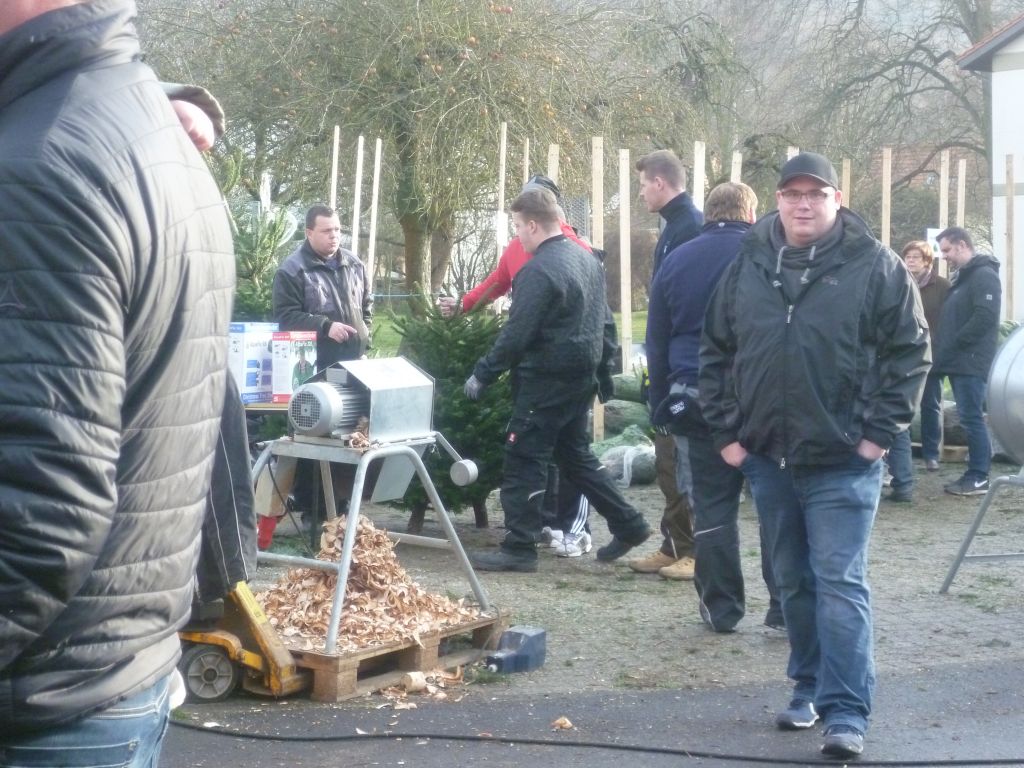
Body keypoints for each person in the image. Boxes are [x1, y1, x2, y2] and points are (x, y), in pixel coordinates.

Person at [0, 1, 235, 763]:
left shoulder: (38, 166)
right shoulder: (147, 131)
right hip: (112, 668)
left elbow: (41, 506)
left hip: (45, 701)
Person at [700, 152, 930, 759]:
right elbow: (716, 349)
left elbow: (910, 353)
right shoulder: (748, 263)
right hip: (769, 458)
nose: (803, 204)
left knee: (839, 582)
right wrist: (728, 434)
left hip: (843, 461)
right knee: (793, 582)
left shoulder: (875, 266)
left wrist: (878, 435)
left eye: (816, 194)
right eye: (792, 193)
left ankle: (847, 712)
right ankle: (807, 686)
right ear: (777, 199)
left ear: (836, 199)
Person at [464, 187, 652, 572]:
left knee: (523, 456)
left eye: (518, 227)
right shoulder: (587, 259)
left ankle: (519, 547)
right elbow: (605, 322)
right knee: (575, 456)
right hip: (579, 379)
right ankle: (629, 524)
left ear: (533, 225)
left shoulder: (538, 271)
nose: (517, 235)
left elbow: (517, 333)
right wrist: (603, 372)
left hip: (545, 382)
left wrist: (483, 373)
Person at [647, 182, 781, 632]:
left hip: (695, 395)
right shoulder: (768, 256)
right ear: (751, 213)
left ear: (708, 214)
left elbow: (657, 340)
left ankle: (721, 608)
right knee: (775, 506)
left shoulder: (677, 259)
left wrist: (660, 404)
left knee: (711, 507)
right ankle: (783, 605)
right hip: (761, 395)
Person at [441, 175, 594, 557]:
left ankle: (575, 527)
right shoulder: (515, 248)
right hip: (533, 371)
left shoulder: (575, 250)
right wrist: (463, 305)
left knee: (571, 451)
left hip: (566, 372)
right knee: (535, 451)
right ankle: (540, 522)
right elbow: (497, 282)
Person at [629, 149, 704, 580]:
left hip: (682, 364)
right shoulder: (674, 226)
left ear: (660, 183)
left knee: (681, 460)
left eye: (643, 185)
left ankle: (693, 547)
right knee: (666, 461)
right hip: (666, 358)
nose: (641, 194)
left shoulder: (689, 227)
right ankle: (673, 542)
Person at [271, 204, 373, 521]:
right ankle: (312, 509)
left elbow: (366, 306)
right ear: (309, 232)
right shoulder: (292, 270)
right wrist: (324, 326)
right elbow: (285, 317)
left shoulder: (354, 264)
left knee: (348, 435)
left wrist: (364, 338)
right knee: (316, 437)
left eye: (338, 230)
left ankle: (342, 505)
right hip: (313, 369)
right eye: (327, 231)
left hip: (353, 366)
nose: (334, 236)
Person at [931, 227, 1001, 496]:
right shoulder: (964, 278)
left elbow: (985, 317)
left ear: (962, 245)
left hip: (970, 361)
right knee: (970, 418)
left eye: (947, 250)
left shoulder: (984, 276)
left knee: (972, 419)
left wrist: (955, 342)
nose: (944, 256)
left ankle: (979, 476)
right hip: (958, 360)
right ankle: (975, 473)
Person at [885, 240, 952, 501]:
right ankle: (898, 470)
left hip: (931, 353)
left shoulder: (942, 286)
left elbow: (948, 320)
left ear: (927, 261)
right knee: (901, 409)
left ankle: (931, 454)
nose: (911, 260)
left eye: (916, 257)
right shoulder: (897, 282)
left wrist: (938, 348)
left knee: (931, 404)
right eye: (908, 256)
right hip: (903, 355)